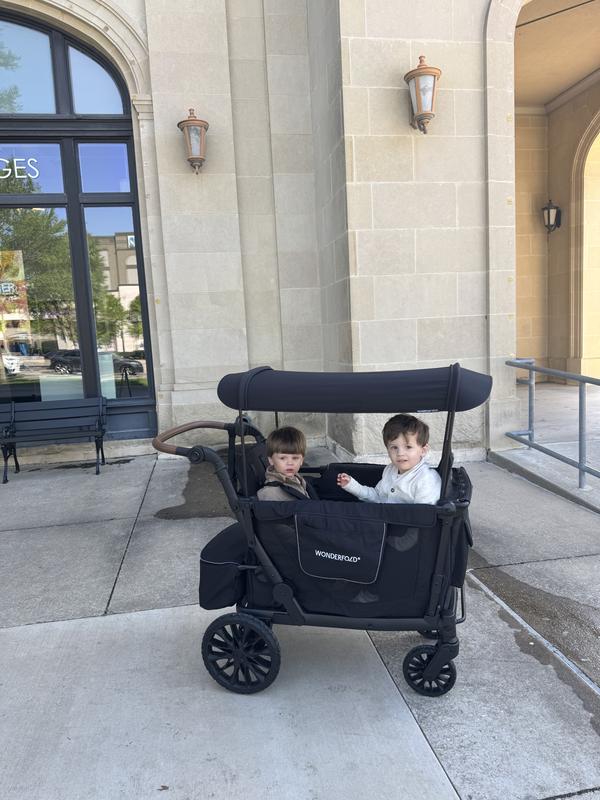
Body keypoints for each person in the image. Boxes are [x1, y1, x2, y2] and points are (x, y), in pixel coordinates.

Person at [337, 414, 441, 505]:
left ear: (423, 450)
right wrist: (352, 486)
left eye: (408, 447)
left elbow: (424, 514)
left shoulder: (426, 479)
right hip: (383, 517)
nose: (400, 453)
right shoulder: (390, 470)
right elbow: (377, 497)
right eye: (394, 447)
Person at [257, 426, 317, 501]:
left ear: (302, 460)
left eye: (295, 458)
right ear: (271, 460)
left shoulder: (296, 478)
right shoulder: (270, 493)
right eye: (282, 458)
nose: (290, 463)